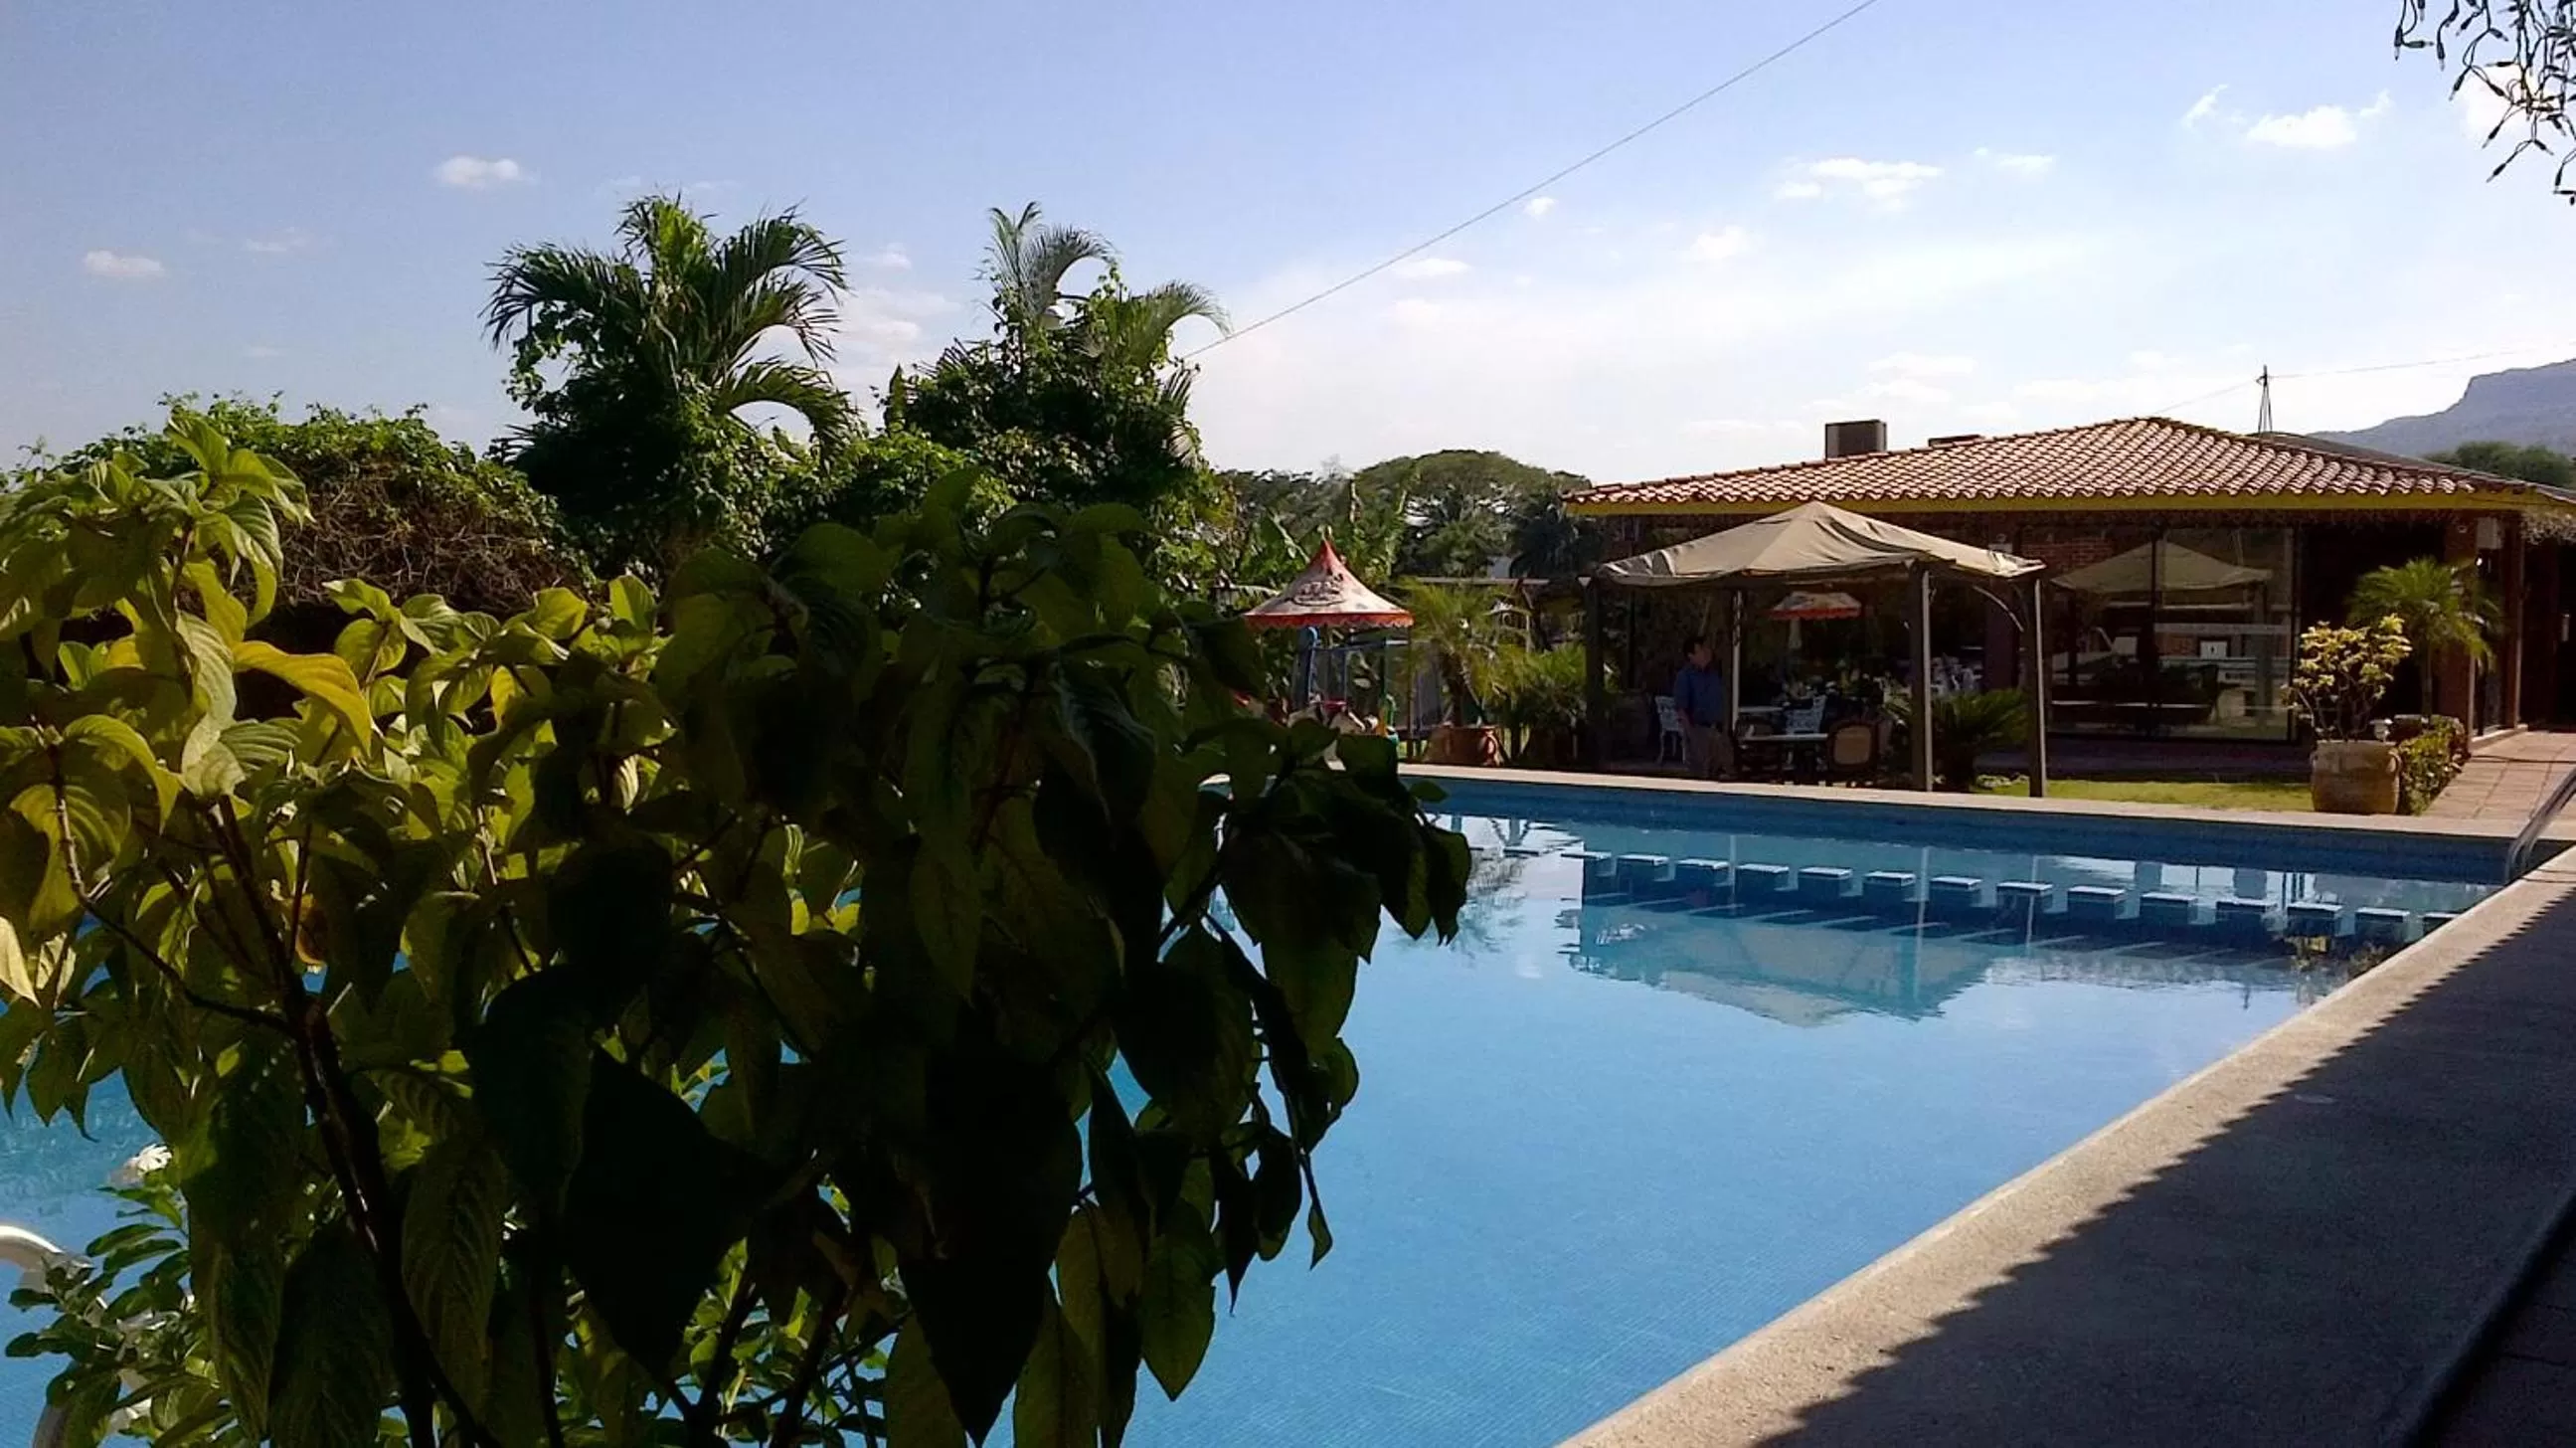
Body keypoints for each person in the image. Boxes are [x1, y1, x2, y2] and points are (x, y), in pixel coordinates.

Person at [1673, 636, 1734, 779]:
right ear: (1691, 656)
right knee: (1700, 774)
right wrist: (1691, 736)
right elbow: (1681, 708)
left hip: (1716, 731)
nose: (1707, 653)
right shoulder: (1685, 677)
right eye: (1701, 650)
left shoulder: (1713, 674)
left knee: (1722, 772)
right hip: (1698, 730)